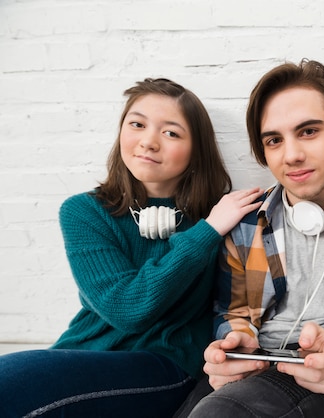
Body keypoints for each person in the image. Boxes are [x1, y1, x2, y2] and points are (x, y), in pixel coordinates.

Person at [0, 78, 263, 418]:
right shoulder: (85, 212)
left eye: (171, 133)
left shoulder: (222, 219)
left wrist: (210, 228)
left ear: (196, 150)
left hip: (167, 364)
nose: (149, 142)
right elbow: (124, 307)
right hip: (82, 354)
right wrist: (206, 232)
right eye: (137, 124)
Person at [183, 59, 324, 418]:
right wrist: (237, 338)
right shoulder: (247, 220)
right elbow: (234, 311)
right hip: (259, 361)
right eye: (275, 140)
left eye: (308, 131)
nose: (292, 155)